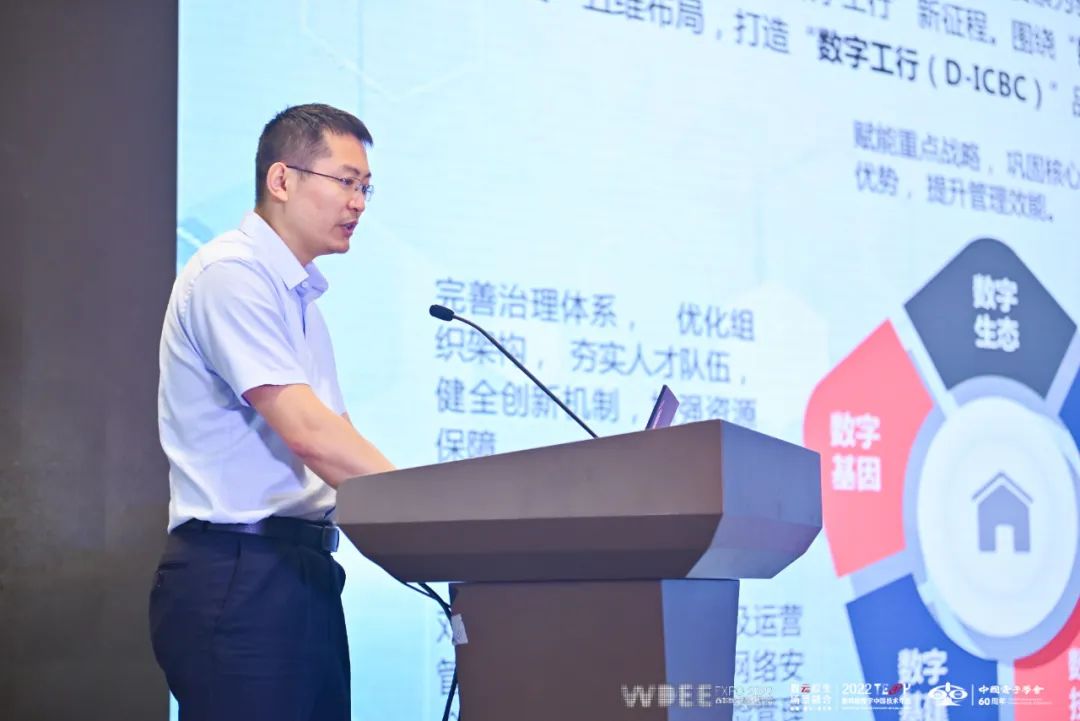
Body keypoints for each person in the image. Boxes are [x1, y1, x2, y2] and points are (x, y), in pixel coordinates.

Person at [150, 103, 394, 721]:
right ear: (282, 179)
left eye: (366, 187)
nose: (359, 203)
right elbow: (309, 434)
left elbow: (334, 434)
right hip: (240, 574)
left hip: (300, 572)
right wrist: (425, 505)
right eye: (346, 181)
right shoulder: (231, 274)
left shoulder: (300, 298)